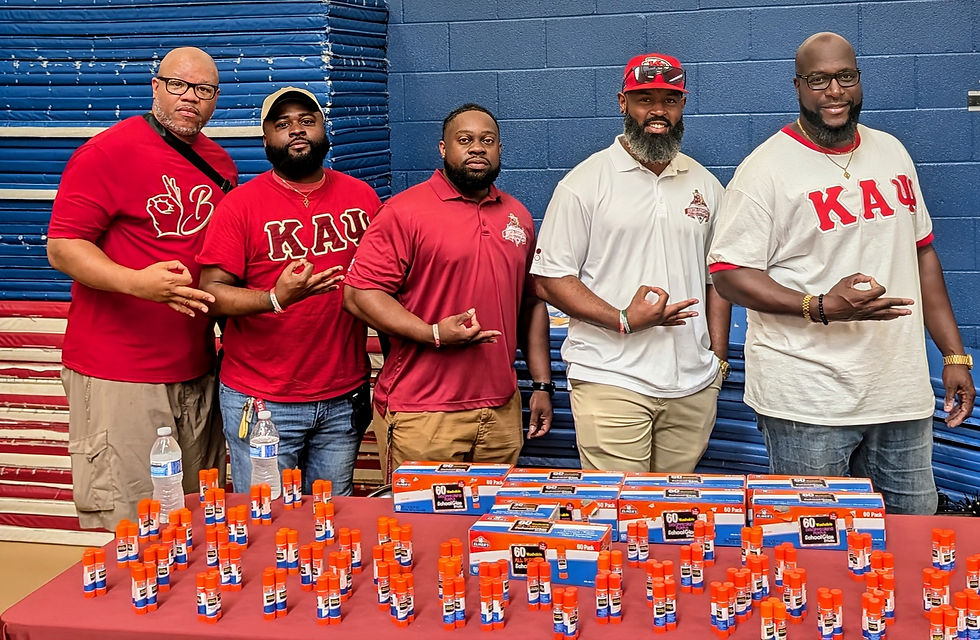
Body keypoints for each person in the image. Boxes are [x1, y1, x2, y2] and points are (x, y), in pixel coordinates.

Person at [708, 32, 976, 514]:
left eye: (845, 77)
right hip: (807, 398)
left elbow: (923, 255)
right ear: (798, 87)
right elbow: (728, 274)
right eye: (819, 80)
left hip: (899, 391)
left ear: (858, 81)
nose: (834, 91)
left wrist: (955, 356)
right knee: (817, 545)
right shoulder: (764, 170)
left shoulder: (892, 151)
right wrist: (819, 306)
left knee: (912, 530)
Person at [47, 47, 237, 529]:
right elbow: (64, 248)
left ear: (215, 99)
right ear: (155, 87)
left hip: (196, 370)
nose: (190, 98)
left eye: (204, 90)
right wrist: (137, 283)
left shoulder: (220, 163)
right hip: (120, 372)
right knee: (132, 523)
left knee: (197, 517)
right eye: (178, 85)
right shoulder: (106, 152)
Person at [531, 52, 730, 474]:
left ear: (683, 104)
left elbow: (720, 277)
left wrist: (717, 356)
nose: (658, 111)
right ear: (623, 102)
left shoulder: (706, 184)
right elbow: (550, 280)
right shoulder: (584, 183)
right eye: (645, 99)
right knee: (620, 512)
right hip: (610, 377)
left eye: (669, 99)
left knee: (671, 513)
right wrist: (622, 318)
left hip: (692, 384)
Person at [343, 103, 553, 478]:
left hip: (500, 412)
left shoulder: (516, 215)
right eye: (465, 140)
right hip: (424, 413)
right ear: (444, 149)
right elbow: (359, 294)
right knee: (421, 532)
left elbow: (531, 303)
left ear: (500, 149)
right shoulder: (404, 211)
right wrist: (433, 333)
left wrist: (541, 384)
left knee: (490, 532)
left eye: (487, 140)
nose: (477, 148)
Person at [197, 87, 381, 496]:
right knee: (268, 525)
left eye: (306, 120)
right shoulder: (240, 206)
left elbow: (383, 288)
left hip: (343, 396)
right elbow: (210, 293)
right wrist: (274, 298)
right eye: (282, 124)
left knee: (333, 523)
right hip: (262, 401)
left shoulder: (362, 198)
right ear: (266, 140)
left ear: (323, 130)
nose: (296, 130)